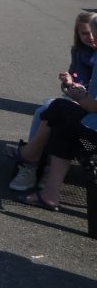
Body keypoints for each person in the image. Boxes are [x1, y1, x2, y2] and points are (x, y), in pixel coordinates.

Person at [7, 11, 97, 191]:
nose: (91, 37)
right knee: (47, 109)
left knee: (52, 111)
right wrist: (69, 82)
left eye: (93, 32)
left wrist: (77, 95)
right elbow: (75, 81)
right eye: (85, 33)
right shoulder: (79, 52)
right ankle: (36, 165)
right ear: (78, 35)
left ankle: (32, 160)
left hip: (90, 110)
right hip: (84, 100)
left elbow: (92, 104)